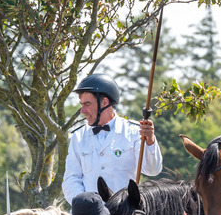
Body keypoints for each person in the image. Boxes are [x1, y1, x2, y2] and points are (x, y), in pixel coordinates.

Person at [61, 73, 162, 204]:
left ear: (104, 102)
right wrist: (86, 204)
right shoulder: (78, 137)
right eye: (82, 104)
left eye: (87, 104)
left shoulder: (134, 131)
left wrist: (150, 140)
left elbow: (152, 170)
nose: (82, 110)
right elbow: (71, 179)